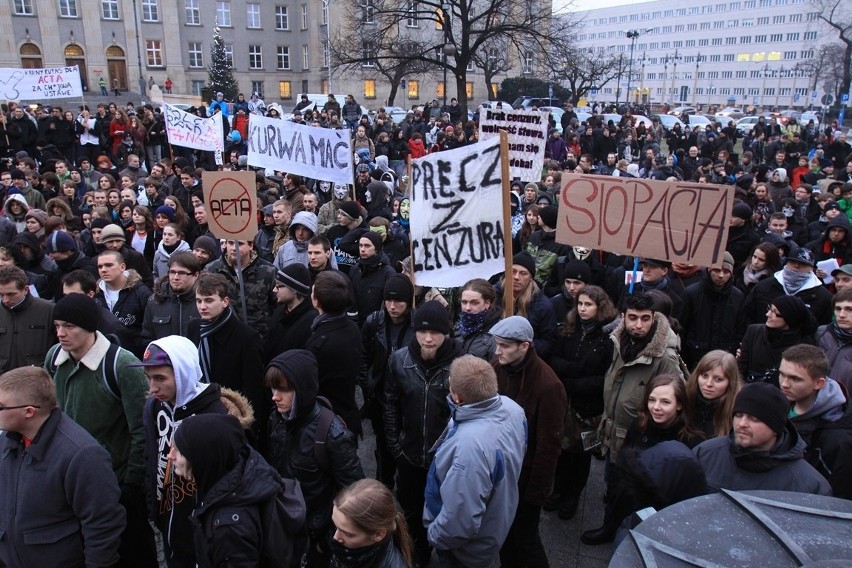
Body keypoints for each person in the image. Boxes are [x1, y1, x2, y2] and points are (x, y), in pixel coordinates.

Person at [44, 293, 157, 567]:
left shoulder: (121, 365)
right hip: (67, 478)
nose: (61, 333)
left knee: (128, 551)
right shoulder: (54, 358)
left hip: (113, 481)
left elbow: (142, 428)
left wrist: (130, 482)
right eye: (57, 326)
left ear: (90, 327)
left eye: (69, 326)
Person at [0, 367, 126, 568]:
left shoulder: (82, 455)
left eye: (1, 406)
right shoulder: (8, 441)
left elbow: (103, 526)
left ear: (28, 412)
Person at [424, 355, 527, 568]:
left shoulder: (470, 447)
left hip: (464, 552)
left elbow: (461, 520)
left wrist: (434, 535)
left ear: (458, 398)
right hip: (496, 521)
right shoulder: (512, 408)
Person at [264, 349, 365, 567]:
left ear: (302, 389)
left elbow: (354, 493)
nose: (275, 396)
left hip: (314, 538)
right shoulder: (277, 420)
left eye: (284, 389)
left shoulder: (332, 434)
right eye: (273, 388)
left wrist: (326, 543)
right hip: (283, 526)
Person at [169, 413, 307, 568]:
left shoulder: (229, 528)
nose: (170, 456)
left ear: (203, 458)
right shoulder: (242, 466)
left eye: (179, 452)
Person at [137, 335, 228, 568]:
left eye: (160, 378)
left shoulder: (215, 416)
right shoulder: (154, 406)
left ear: (182, 373)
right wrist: (153, 507)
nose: (152, 388)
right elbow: (151, 455)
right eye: (148, 378)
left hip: (203, 531)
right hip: (168, 523)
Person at [384, 300, 461, 566]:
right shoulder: (399, 360)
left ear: (446, 333)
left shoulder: (461, 363)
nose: (428, 339)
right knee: (413, 512)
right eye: (422, 332)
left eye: (435, 332)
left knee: (446, 511)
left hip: (446, 460)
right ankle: (419, 554)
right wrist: (395, 446)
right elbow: (390, 402)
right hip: (411, 456)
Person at [490, 316, 567, 568]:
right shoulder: (496, 367)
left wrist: (536, 495)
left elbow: (549, 446)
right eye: (496, 344)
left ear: (524, 346)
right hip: (502, 473)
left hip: (526, 479)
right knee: (504, 535)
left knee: (526, 539)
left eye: (504, 346)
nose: (497, 350)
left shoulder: (549, 385)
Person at [545, 285, 617, 520]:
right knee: (561, 451)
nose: (583, 309)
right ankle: (557, 490)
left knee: (581, 454)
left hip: (588, 407)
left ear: (600, 307)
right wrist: (571, 371)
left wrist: (574, 381)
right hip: (563, 403)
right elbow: (554, 358)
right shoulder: (568, 330)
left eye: (589, 304)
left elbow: (605, 377)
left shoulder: (608, 339)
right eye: (580, 304)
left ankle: (573, 494)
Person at [693, 382, 831, 495]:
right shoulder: (705, 454)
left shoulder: (809, 485)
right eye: (739, 415)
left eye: (754, 419)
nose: (742, 424)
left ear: (775, 428)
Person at [188, 273, 267, 438]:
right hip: (199, 412)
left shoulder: (247, 338)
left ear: (225, 301)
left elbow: (254, 389)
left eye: (209, 300)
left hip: (232, 420)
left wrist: (248, 427)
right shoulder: (195, 328)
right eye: (199, 301)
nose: (202, 307)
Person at [359, 273, 415, 487]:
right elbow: (363, 357)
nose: (392, 306)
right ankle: (383, 486)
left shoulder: (417, 325)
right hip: (380, 398)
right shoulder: (374, 322)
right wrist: (368, 388)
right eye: (388, 300)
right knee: (383, 446)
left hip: (406, 398)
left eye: (398, 301)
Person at [779, 344, 852, 499]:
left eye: (794, 378)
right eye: (782, 374)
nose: (784, 384)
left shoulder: (837, 439)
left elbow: (838, 496)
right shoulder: (781, 403)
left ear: (819, 383)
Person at [306, 271, 363, 438]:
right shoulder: (352, 328)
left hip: (329, 422)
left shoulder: (319, 343)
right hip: (347, 411)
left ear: (317, 301)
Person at [679, 252, 744, 368]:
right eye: (717, 270)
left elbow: (739, 328)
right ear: (709, 270)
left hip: (724, 357)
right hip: (694, 356)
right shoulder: (692, 293)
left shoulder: (737, 297)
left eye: (726, 272)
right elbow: (683, 325)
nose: (721, 275)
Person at [204, 239, 277, 340]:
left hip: (258, 340)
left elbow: (277, 307)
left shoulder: (268, 271)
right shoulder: (212, 270)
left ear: (251, 245)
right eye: (230, 243)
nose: (234, 248)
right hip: (222, 338)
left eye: (240, 244)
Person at [329, 479, 412, 568]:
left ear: (378, 534)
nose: (335, 537)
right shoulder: (351, 551)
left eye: (347, 534)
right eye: (335, 526)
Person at [742, 247, 833, 327]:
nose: (796, 266)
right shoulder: (764, 286)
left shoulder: (823, 297)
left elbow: (822, 328)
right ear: (787, 262)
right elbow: (747, 315)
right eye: (793, 261)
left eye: (802, 263)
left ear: (811, 268)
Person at [737, 295, 816, 384]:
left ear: (789, 318)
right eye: (769, 309)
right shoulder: (754, 331)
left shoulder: (803, 345)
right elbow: (740, 368)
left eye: (775, 313)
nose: (768, 314)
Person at [499, 252, 558, 357]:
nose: (516, 277)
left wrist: (522, 346)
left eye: (523, 273)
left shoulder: (543, 306)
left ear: (531, 278)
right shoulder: (495, 294)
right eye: (513, 271)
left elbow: (549, 342)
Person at [95, 250, 153, 356]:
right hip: (103, 355)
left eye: (108, 265)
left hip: (134, 355)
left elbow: (149, 329)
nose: (103, 270)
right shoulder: (95, 294)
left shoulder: (141, 293)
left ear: (122, 267)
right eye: (100, 266)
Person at [0, 265, 55, 372]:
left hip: (36, 381)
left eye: (11, 294)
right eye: (1, 295)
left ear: (25, 289)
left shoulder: (49, 311)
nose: (5, 300)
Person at [140, 251, 202, 344]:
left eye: (182, 273)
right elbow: (147, 339)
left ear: (195, 275)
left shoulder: (205, 302)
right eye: (172, 272)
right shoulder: (155, 302)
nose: (176, 277)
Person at [265, 261, 318, 362]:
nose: (274, 290)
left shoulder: (311, 323)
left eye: (279, 286)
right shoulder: (279, 312)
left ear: (294, 289)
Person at [684, 350, 741, 440]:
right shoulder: (682, 401)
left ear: (730, 382)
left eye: (718, 379)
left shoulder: (738, 413)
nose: (709, 384)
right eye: (704, 376)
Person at [816, 288, 852, 394]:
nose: (841, 315)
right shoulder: (821, 333)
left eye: (849, 309)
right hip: (814, 400)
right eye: (838, 309)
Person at [456, 278, 502, 360]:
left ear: (487, 303)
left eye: (474, 303)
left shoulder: (498, 333)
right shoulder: (457, 327)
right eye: (464, 302)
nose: (467, 308)